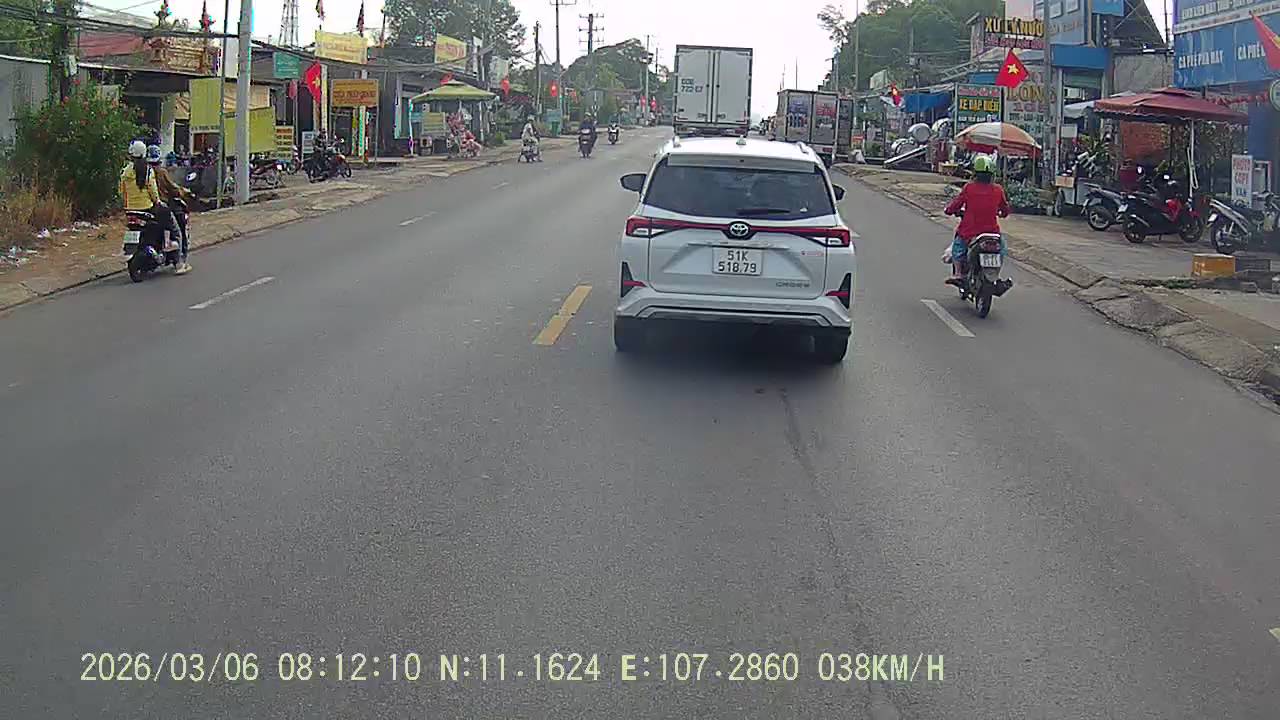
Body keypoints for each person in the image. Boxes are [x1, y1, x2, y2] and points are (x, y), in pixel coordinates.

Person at [942, 154, 1009, 285]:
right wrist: (1002, 214)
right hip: (992, 233)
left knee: (958, 248)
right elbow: (1005, 209)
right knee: (1002, 249)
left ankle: (958, 274)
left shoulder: (969, 188)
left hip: (969, 231)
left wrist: (948, 210)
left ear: (975, 173)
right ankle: (995, 274)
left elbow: (956, 204)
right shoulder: (998, 190)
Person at [147, 144, 193, 274]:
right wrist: (183, 192)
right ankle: (179, 263)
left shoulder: (140, 172)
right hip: (161, 207)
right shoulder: (161, 172)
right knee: (177, 231)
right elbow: (172, 188)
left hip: (145, 208)